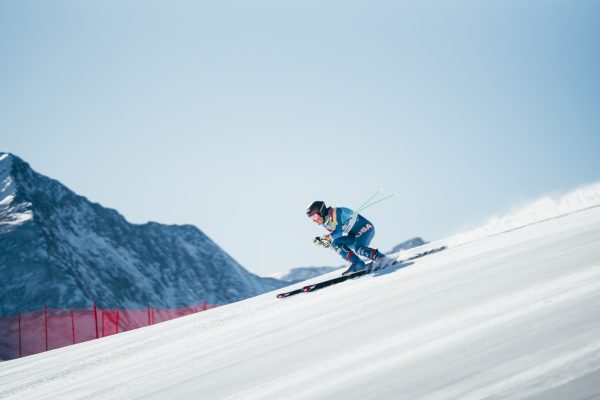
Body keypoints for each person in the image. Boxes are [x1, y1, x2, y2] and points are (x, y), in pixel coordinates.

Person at [306, 200, 389, 275]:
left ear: (321, 211)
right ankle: (357, 263)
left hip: (366, 228)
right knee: (336, 243)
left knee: (359, 249)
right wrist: (325, 241)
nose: (314, 220)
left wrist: (326, 239)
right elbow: (334, 237)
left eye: (315, 216)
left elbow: (338, 233)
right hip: (355, 235)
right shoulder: (325, 223)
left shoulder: (335, 212)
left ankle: (381, 258)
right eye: (312, 218)